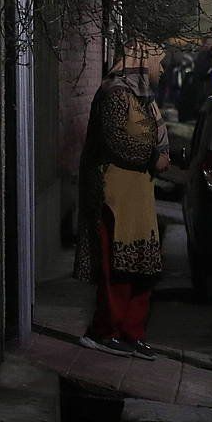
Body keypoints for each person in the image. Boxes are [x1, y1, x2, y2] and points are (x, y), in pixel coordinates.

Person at [73, 35, 169, 360]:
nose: (164, 69)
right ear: (143, 60)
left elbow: (155, 135)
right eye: (160, 61)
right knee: (118, 267)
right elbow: (119, 143)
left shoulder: (142, 97)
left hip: (138, 193)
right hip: (113, 193)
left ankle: (131, 332)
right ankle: (104, 331)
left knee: (143, 267)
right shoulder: (114, 94)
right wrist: (154, 157)